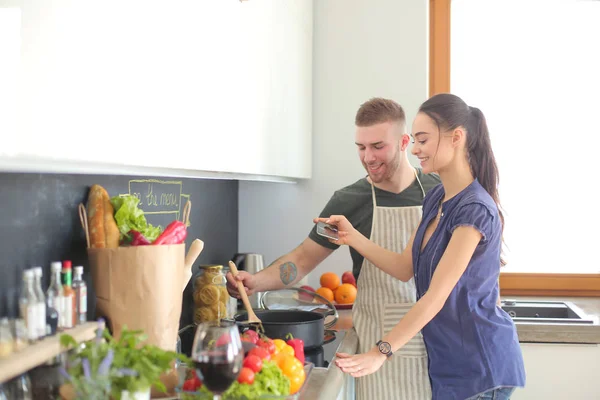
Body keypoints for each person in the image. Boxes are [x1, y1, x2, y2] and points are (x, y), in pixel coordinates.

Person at [226, 97, 440, 399]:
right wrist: (255, 282)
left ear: (405, 141)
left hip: (433, 341)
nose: (368, 157)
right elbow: (302, 259)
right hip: (373, 345)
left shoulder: (438, 190)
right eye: (361, 147)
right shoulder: (348, 200)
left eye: (378, 146)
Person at [318, 93, 526, 400]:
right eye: (414, 140)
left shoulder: (474, 210)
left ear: (456, 138)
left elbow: (434, 298)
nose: (414, 149)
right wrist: (353, 237)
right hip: (449, 365)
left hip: (479, 368)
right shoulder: (436, 198)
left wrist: (380, 351)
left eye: (423, 140)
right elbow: (405, 268)